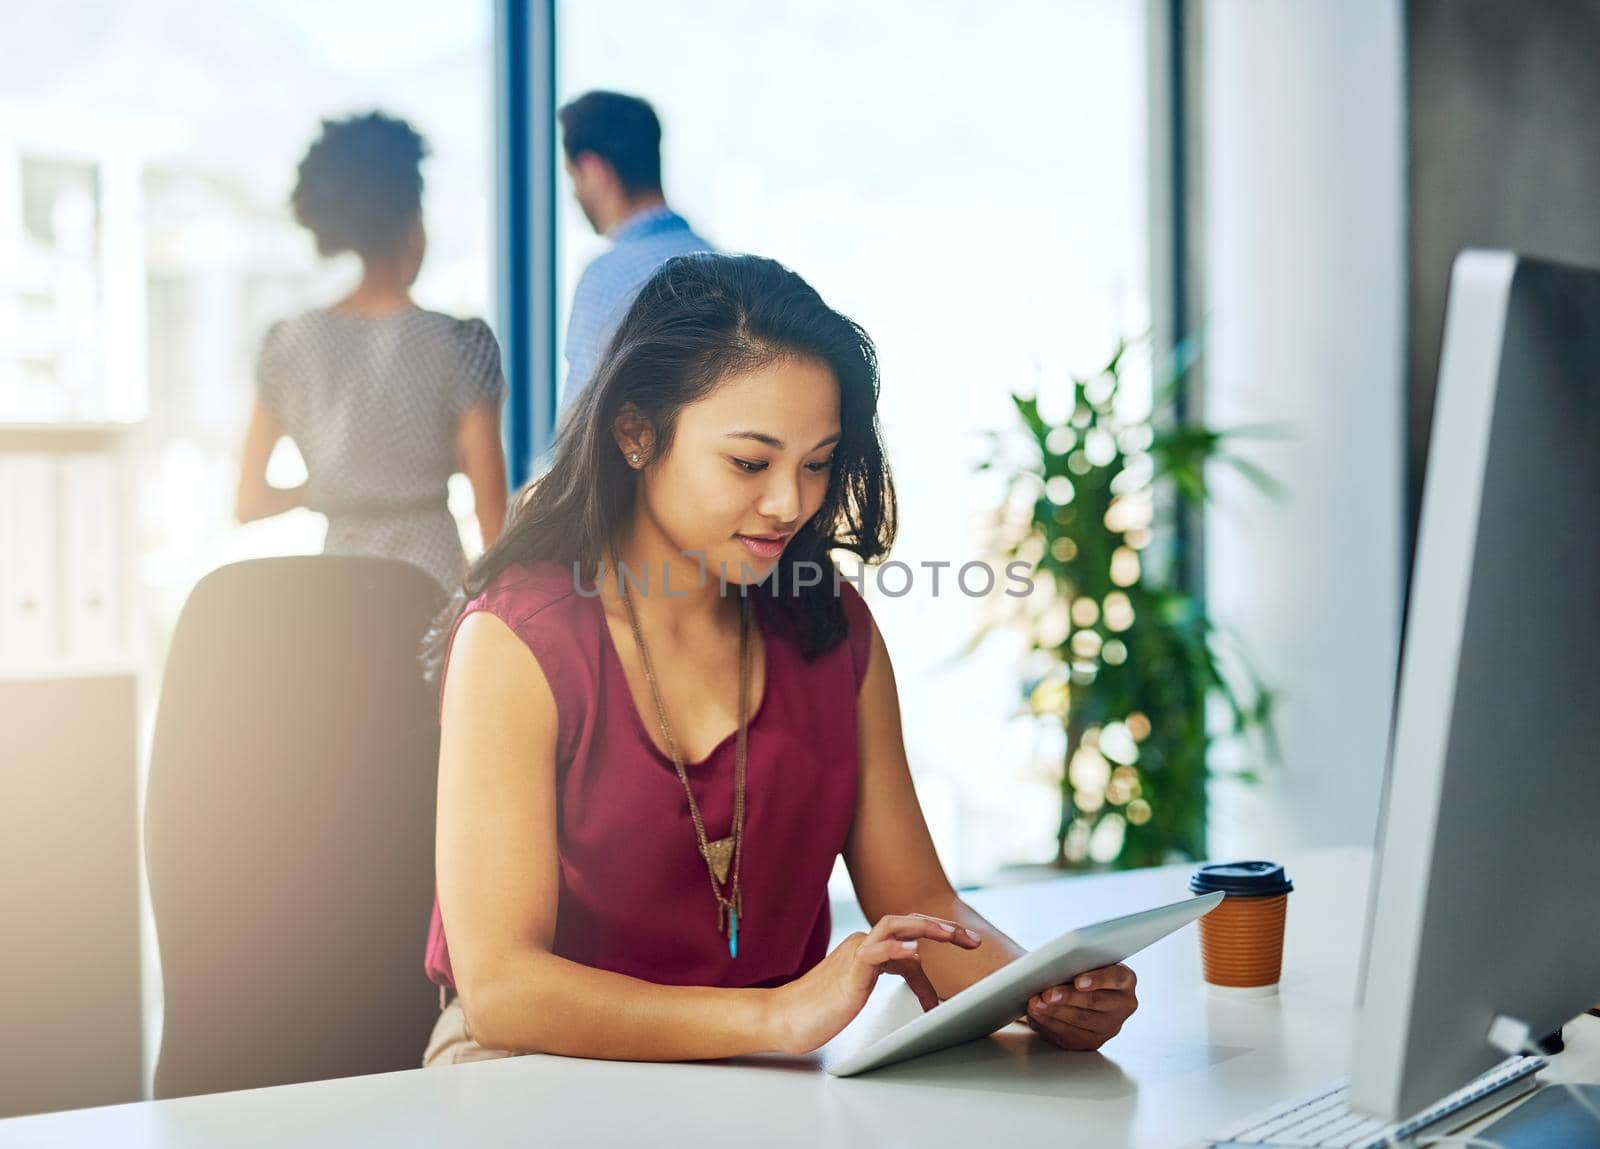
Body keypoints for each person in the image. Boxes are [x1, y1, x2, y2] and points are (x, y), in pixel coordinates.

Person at [420, 253, 1138, 1067]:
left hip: (768, 1076)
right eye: (750, 463)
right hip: (537, 1069)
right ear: (634, 434)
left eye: (817, 462)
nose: (790, 503)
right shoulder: (518, 638)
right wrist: (775, 1018)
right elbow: (504, 991)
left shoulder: (829, 625)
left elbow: (920, 903)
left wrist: (1043, 995)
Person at [236, 111, 508, 592]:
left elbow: (249, 502)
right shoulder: (460, 343)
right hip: (430, 590)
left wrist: (331, 491)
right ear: (413, 225)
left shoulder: (287, 345)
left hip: (337, 597)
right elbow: (495, 529)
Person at [558, 90, 713, 409]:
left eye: (574, 178)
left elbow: (578, 426)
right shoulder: (722, 264)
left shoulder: (607, 278)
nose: (574, 194)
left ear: (593, 170)